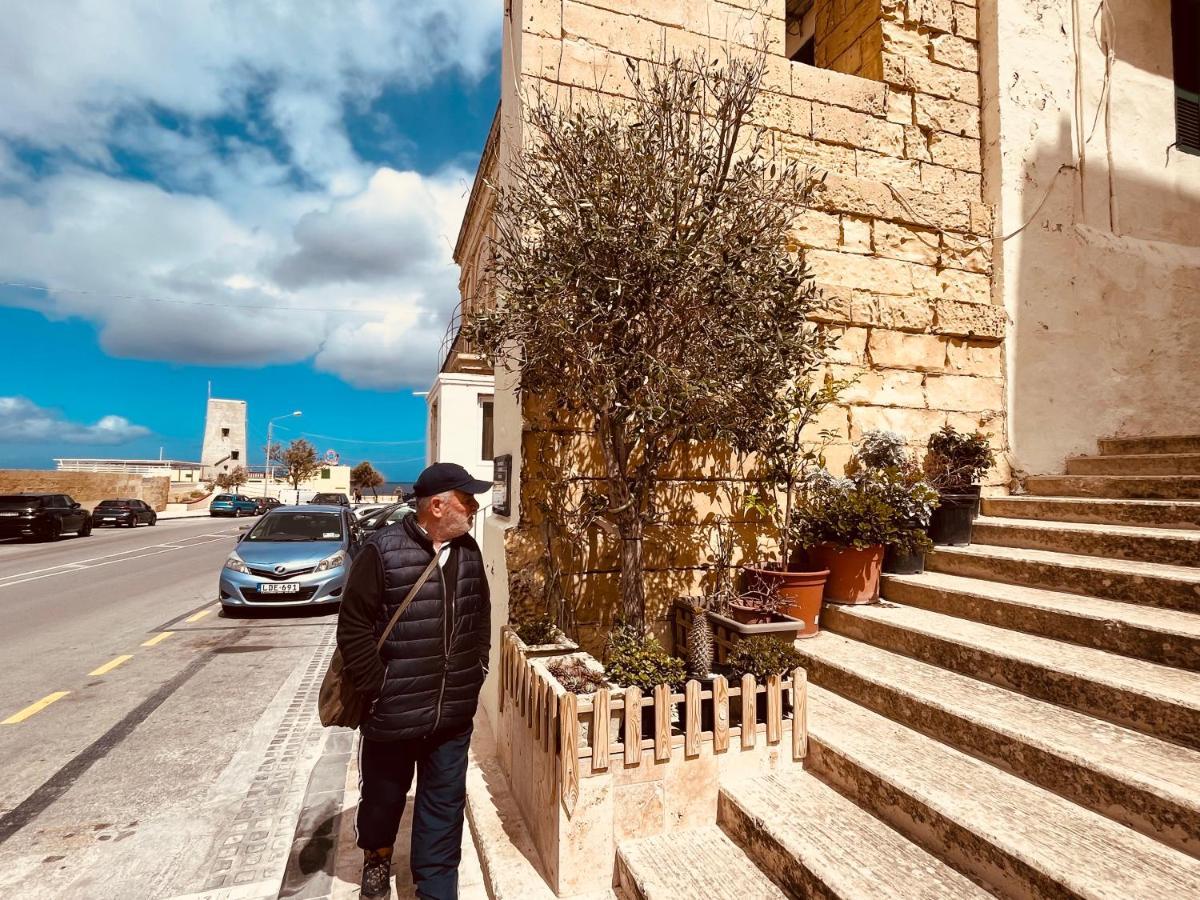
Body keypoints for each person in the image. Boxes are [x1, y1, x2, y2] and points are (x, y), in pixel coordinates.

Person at [336, 462, 492, 899]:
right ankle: (377, 856)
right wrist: (377, 688)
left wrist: (476, 669)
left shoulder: (469, 552)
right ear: (438, 506)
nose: (475, 507)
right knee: (384, 799)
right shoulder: (381, 551)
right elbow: (353, 628)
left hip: (453, 714)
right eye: (467, 499)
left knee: (444, 808)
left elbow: (481, 615)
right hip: (393, 712)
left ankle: (436, 888)